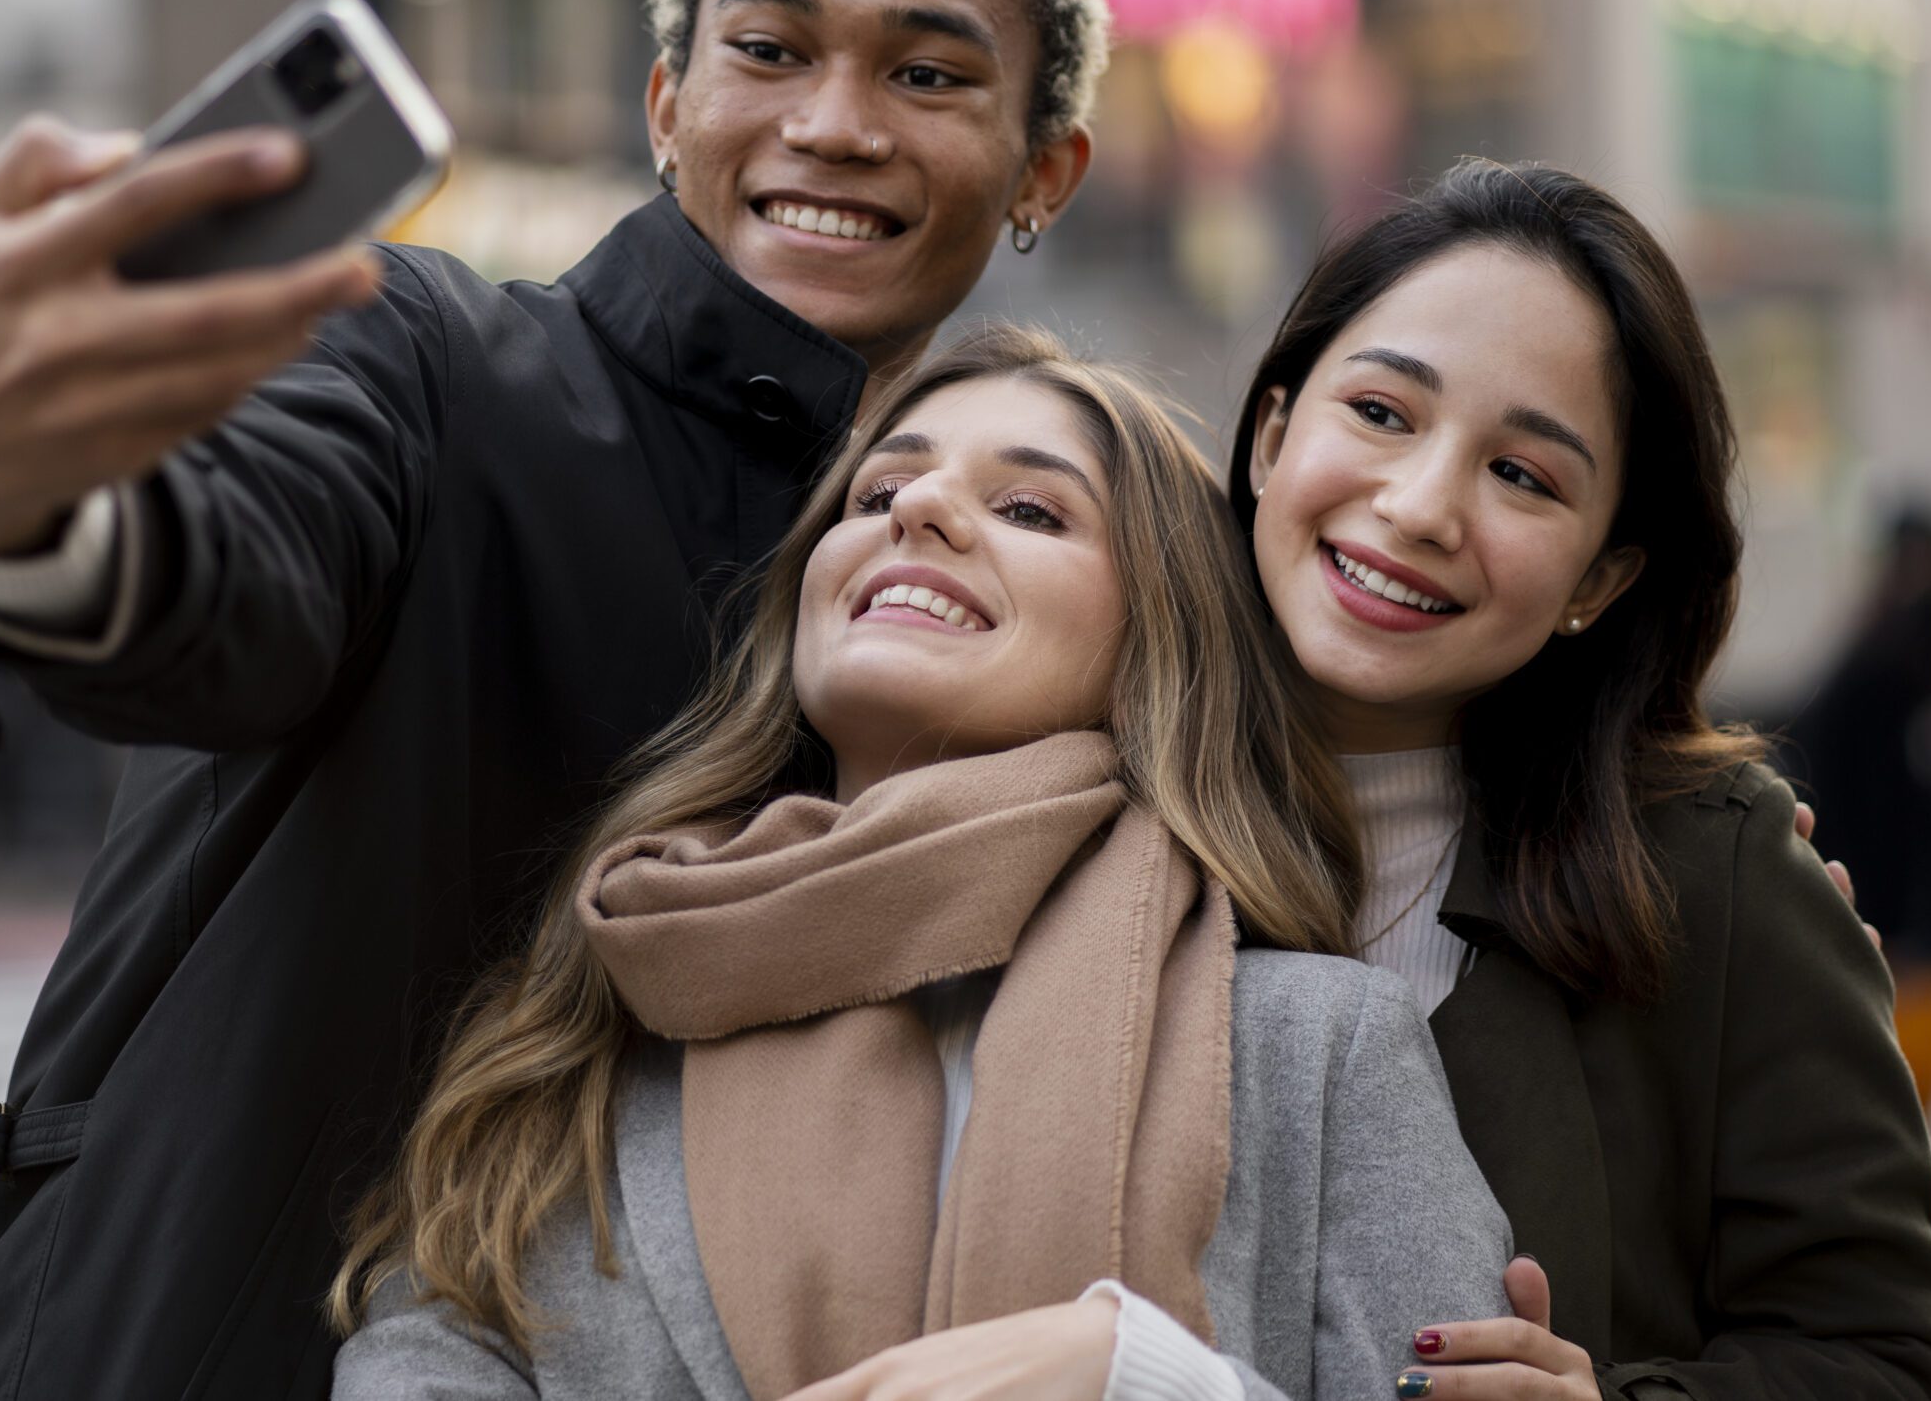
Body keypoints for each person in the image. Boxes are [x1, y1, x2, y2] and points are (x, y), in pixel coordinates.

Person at [0, 0, 1104, 1401]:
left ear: (1043, 173)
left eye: (927, 74)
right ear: (670, 105)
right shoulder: (428, 357)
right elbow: (218, 582)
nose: (837, 124)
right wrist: (23, 510)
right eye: (771, 51)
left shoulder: (1015, 581)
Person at [333, 326, 1513, 1401]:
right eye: (879, 488)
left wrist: (1144, 1380)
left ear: (1157, 644)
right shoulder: (578, 1046)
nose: (921, 511)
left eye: (1033, 512)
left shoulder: (1324, 1050)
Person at [1231, 160, 1931, 1399]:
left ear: (1599, 581)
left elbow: (1891, 1361)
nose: (1418, 507)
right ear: (1269, 434)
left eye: (1522, 475)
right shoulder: (1076, 800)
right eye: (1380, 412)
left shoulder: (1715, 880)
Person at [1784, 509, 1931, 1105]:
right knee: (1909, 1095)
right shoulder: (1897, 661)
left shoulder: (1865, 652)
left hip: (1880, 913)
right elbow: (1895, 811)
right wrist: (1917, 919)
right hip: (1895, 924)